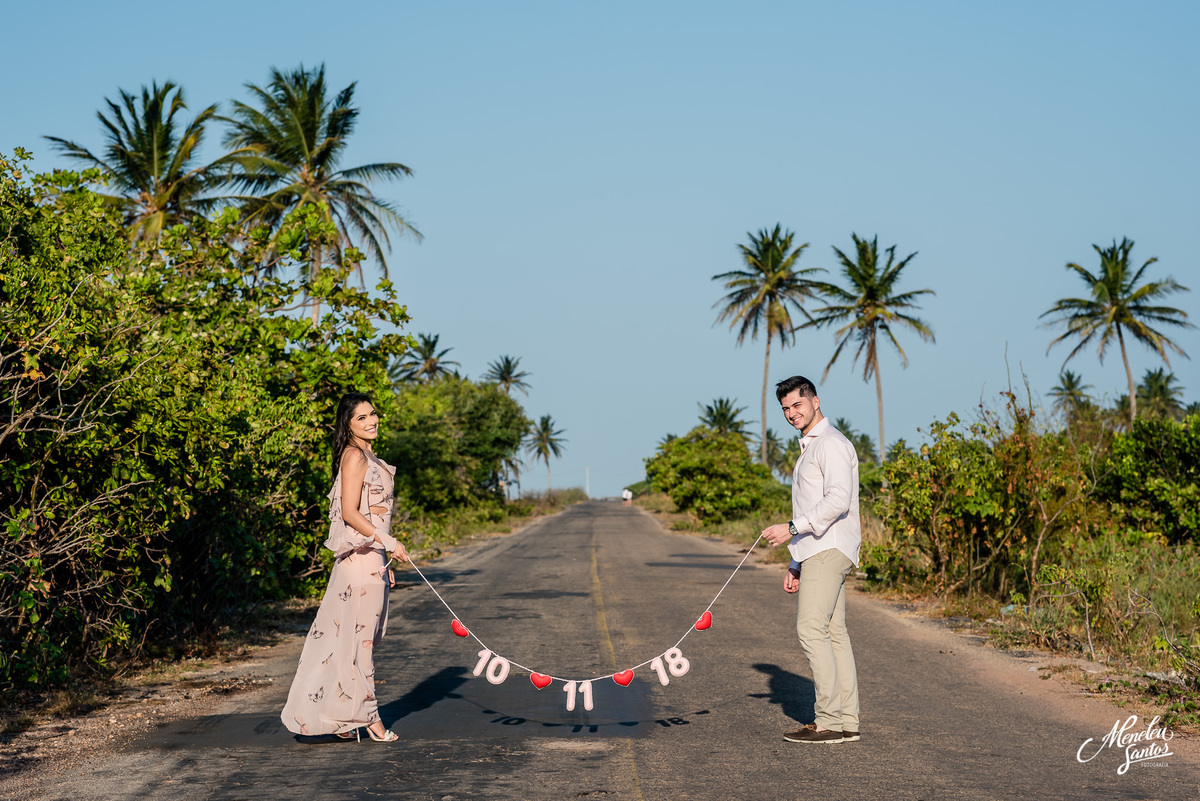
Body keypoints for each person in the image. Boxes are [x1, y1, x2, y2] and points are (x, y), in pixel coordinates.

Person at [281, 392, 409, 742]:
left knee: (357, 642)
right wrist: (389, 544)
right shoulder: (354, 457)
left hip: (370, 560)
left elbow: (370, 516)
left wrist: (382, 558)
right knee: (360, 644)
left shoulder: (367, 455)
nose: (372, 421)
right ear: (348, 425)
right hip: (360, 563)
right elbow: (351, 513)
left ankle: (343, 715)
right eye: (362, 418)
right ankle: (371, 719)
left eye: (373, 414)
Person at [762, 375, 861, 744]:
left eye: (797, 405)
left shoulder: (830, 444)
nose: (791, 413)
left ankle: (829, 722)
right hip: (819, 549)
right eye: (785, 408)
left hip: (829, 546)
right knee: (835, 633)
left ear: (815, 401)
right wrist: (795, 561)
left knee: (810, 629)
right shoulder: (811, 447)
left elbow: (837, 501)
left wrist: (790, 528)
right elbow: (814, 505)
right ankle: (846, 721)